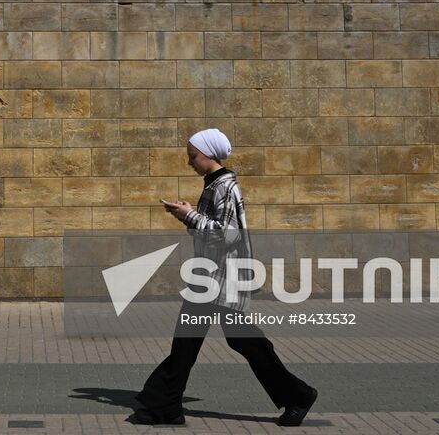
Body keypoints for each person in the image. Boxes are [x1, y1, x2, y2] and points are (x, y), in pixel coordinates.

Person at [131, 127, 318, 427]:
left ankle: (298, 395)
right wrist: (188, 213)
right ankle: (165, 406)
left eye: (192, 156)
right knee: (204, 342)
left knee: (228, 342)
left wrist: (188, 216)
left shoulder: (225, 187)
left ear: (207, 154)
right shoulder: (213, 185)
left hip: (222, 281)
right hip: (212, 279)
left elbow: (226, 235)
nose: (189, 162)